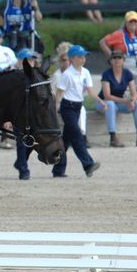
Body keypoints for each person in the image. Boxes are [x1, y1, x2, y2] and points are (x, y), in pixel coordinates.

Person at [51, 45, 104, 179]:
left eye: (83, 56)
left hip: (77, 107)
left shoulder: (85, 72)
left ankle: (58, 169)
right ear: (72, 58)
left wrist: (100, 101)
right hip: (67, 107)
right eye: (80, 57)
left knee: (66, 141)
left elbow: (90, 92)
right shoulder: (67, 75)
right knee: (77, 136)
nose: (83, 59)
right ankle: (88, 164)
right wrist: (54, 110)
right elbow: (58, 94)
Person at [95, 51, 137, 147]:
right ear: (110, 61)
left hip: (118, 104)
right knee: (110, 104)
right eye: (114, 58)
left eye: (119, 58)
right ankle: (113, 138)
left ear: (123, 61)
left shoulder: (127, 73)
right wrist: (126, 101)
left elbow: (134, 93)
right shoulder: (106, 74)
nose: (117, 60)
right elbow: (107, 96)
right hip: (102, 103)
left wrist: (132, 101)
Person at [13, 48, 37, 180]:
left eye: (32, 60)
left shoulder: (35, 76)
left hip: (32, 114)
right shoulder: (15, 76)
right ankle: (23, 169)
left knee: (34, 140)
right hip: (19, 114)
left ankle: (20, 162)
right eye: (28, 60)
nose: (31, 62)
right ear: (20, 61)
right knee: (21, 143)